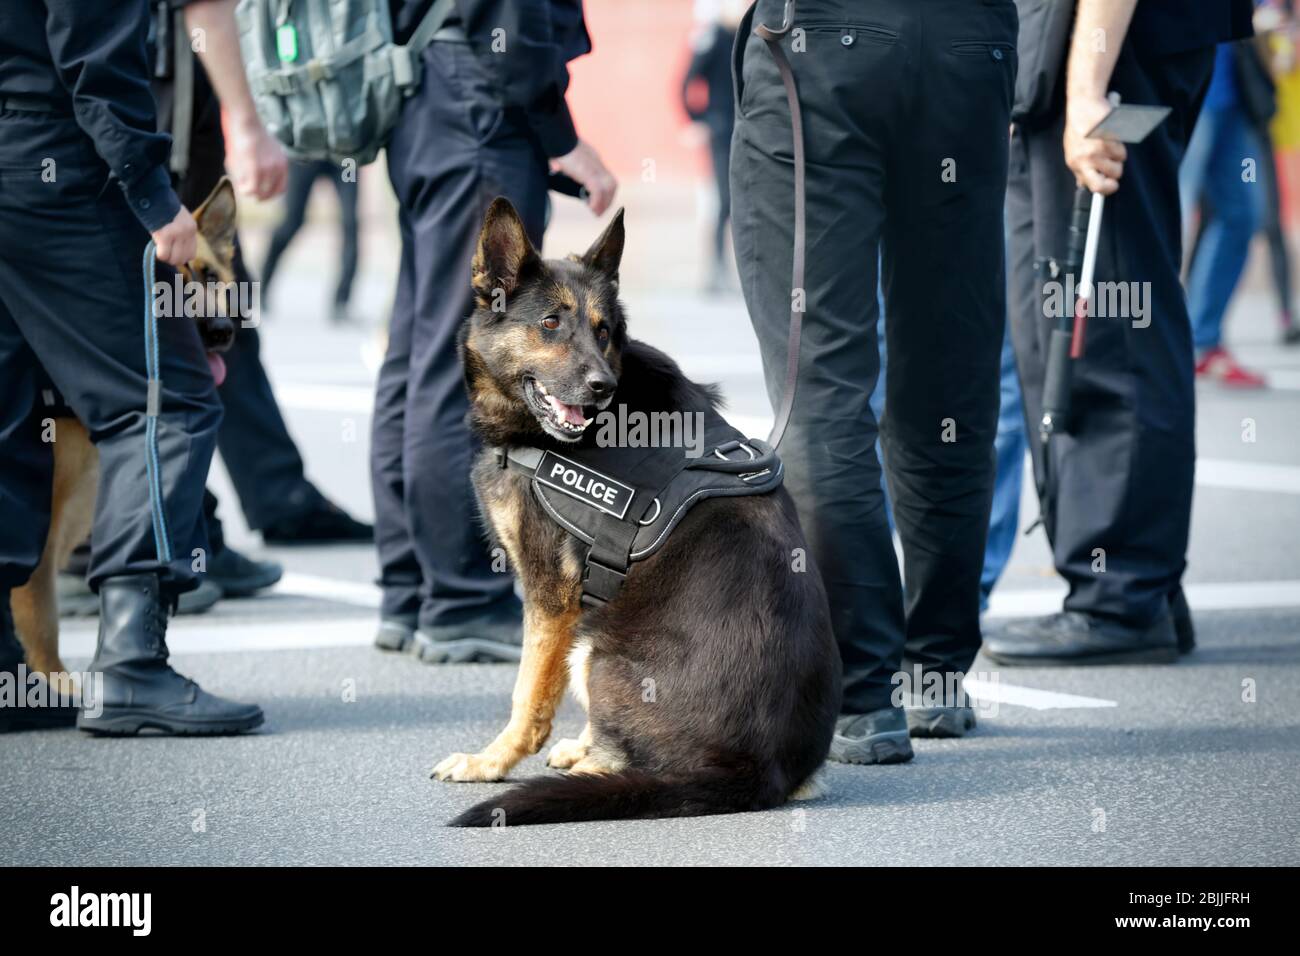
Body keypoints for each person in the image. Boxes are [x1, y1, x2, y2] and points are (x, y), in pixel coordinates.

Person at [730, 0, 1018, 763]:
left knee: (821, 385)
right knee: (949, 375)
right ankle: (935, 673)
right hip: (970, 40)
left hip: (822, 42)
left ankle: (863, 692)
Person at [0, 0, 262, 735]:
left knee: (11, 412)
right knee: (165, 401)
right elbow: (91, 46)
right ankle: (130, 666)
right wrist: (152, 194)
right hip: (54, 158)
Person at [987, 0, 1255, 667]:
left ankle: (1122, 595)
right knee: (1096, 309)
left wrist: (1084, 90)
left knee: (1104, 322)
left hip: (1104, 52)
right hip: (1095, 50)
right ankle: (1142, 588)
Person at [372, 0, 616, 661]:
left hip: (428, 95)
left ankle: (410, 590)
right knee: (465, 364)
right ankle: (461, 598)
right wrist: (560, 135)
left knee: (420, 352)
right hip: (483, 102)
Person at [1180, 40, 1268, 388]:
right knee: (1172, 214)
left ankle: (1204, 340)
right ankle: (1150, 340)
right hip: (1187, 90)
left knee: (1243, 214)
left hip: (1234, 92)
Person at [680, 2, 741, 294]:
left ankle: (742, 267)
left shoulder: (750, 34)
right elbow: (685, 83)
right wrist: (700, 120)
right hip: (722, 132)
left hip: (749, 129)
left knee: (746, 199)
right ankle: (716, 268)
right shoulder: (713, 37)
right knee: (725, 199)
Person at [260, 159, 361, 326]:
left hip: (346, 159)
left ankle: (341, 302)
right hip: (307, 153)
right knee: (291, 223)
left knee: (350, 223)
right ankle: (262, 286)